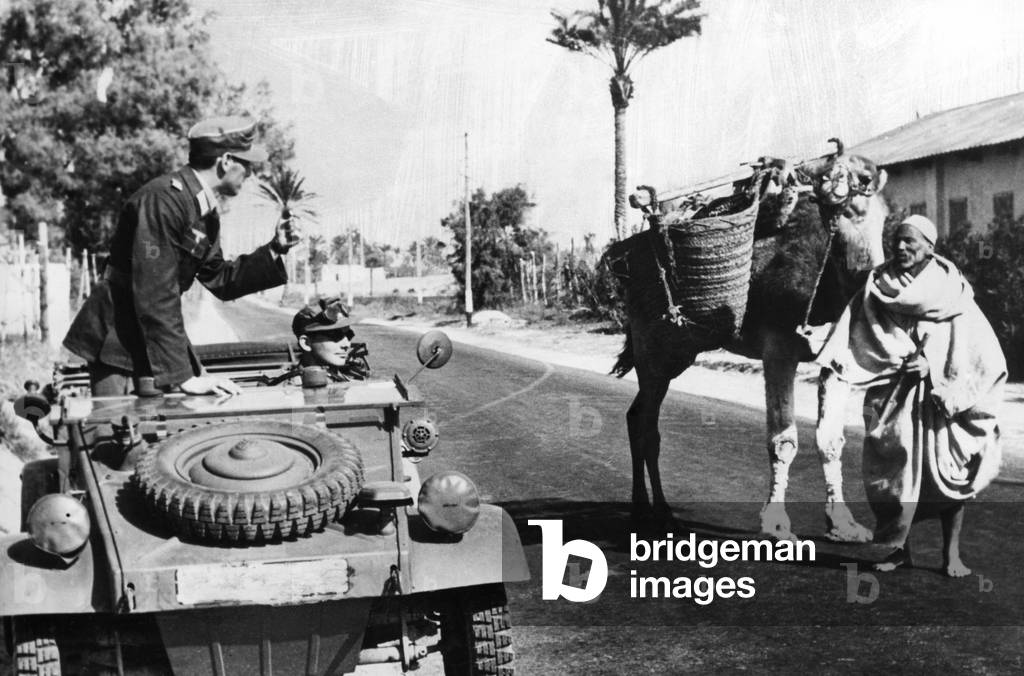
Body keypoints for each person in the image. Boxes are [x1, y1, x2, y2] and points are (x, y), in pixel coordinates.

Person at [818, 214, 1005, 577]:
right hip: (891, 395)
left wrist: (933, 368)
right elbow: (851, 333)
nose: (901, 247)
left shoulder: (951, 291)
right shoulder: (877, 287)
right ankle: (897, 550)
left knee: (951, 475)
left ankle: (951, 554)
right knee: (892, 475)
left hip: (940, 399)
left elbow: (979, 349)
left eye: (911, 241)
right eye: (897, 241)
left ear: (930, 248)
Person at [63, 116, 301, 396]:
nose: (249, 173)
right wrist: (184, 378)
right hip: (119, 341)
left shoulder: (202, 211)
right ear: (225, 161)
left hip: (150, 336)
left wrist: (275, 248)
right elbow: (155, 290)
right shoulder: (163, 200)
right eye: (246, 164)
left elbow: (221, 279)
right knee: (117, 432)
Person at [291, 298, 370, 382]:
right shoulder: (289, 391)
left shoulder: (349, 380)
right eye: (335, 336)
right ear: (306, 343)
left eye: (348, 335)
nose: (347, 344)